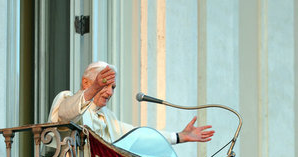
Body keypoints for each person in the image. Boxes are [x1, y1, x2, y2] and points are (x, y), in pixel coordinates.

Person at [49, 61, 214, 144]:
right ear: (86, 83)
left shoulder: (108, 118)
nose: (110, 92)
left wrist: (179, 136)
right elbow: (66, 114)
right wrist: (93, 89)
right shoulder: (67, 98)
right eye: (104, 85)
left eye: (113, 87)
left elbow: (138, 136)